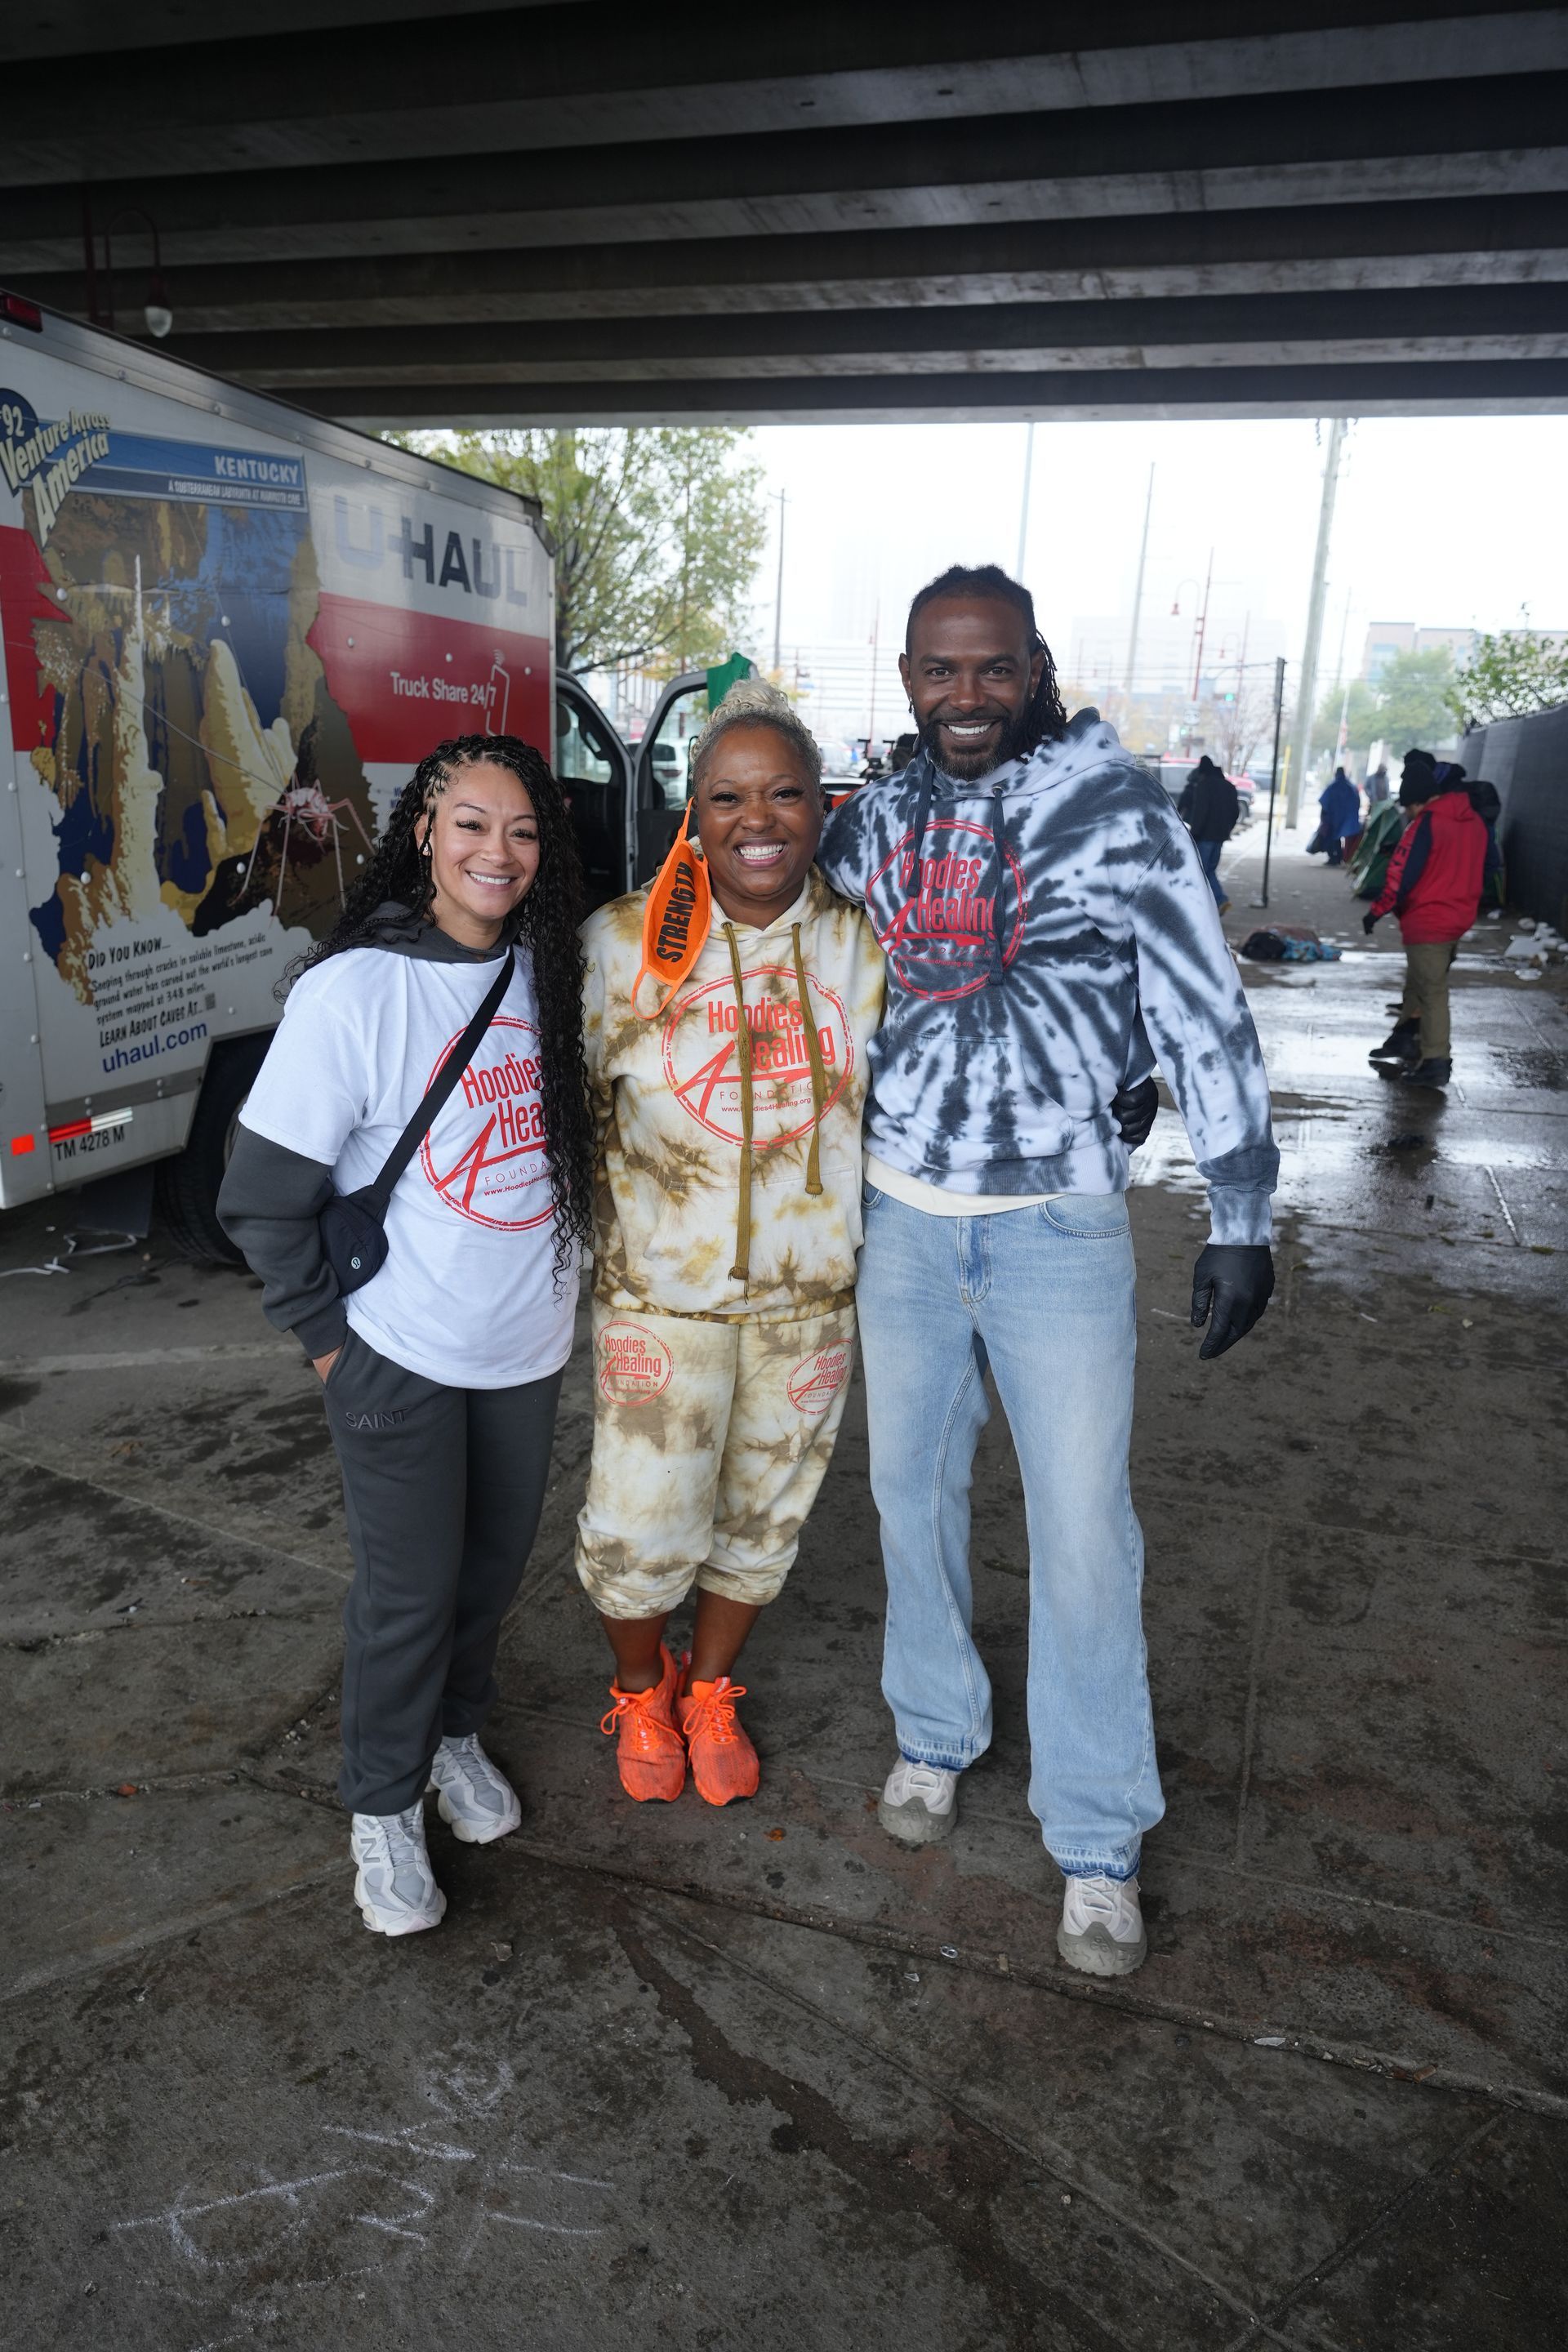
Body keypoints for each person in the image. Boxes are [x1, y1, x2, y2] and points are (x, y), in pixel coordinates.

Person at [817, 564, 1277, 1979]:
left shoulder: (1122, 808)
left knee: (1085, 1534)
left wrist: (1242, 1211)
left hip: (1059, 1227)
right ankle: (935, 1733)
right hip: (900, 1222)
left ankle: (1095, 1836)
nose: (968, 695)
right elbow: (768, 926)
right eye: (941, 670)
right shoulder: (876, 823)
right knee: (910, 1496)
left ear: (1035, 667)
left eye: (993, 667)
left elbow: (1203, 1002)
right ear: (906, 677)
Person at [218, 734, 595, 1936]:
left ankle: (453, 1737)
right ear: (423, 832)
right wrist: (332, 1345)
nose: (500, 850)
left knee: (486, 1578)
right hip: (398, 1353)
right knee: (408, 1594)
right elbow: (260, 1199)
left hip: (523, 1350)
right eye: (472, 823)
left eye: (524, 829)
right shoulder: (358, 990)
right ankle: (381, 1805)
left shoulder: (554, 975)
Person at [574, 682, 884, 1806]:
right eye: (730, 797)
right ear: (694, 818)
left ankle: (711, 1691)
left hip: (811, 1302)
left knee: (764, 1521)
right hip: (664, 1301)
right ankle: (640, 1687)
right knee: (638, 1528)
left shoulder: (861, 946)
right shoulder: (618, 947)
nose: (761, 820)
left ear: (823, 806)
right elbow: (568, 1114)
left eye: (786, 793)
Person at [1364, 760, 1488, 1089]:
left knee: (1432, 992)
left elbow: (1401, 874)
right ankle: (1404, 1035)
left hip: (1429, 919)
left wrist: (1376, 911)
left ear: (1417, 801)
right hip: (1458, 915)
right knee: (1419, 982)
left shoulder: (1427, 824)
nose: (1408, 813)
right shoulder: (1474, 820)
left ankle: (1436, 1060)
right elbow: (1488, 867)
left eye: (1408, 807)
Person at [1176, 752, 1241, 912]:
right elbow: (1235, 812)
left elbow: (1201, 811)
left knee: (1202, 871)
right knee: (1209, 869)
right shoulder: (1229, 786)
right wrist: (1228, 829)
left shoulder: (1204, 786)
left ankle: (1217, 900)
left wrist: (1195, 833)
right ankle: (1214, 902)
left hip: (1205, 836)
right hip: (1220, 836)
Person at [1313, 766, 1361, 866]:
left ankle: (1333, 858)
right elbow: (1356, 802)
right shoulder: (1350, 787)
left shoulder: (1332, 787)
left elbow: (1324, 802)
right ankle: (1339, 857)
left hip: (1332, 818)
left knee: (1332, 838)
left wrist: (1324, 817)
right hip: (1345, 818)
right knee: (1340, 838)